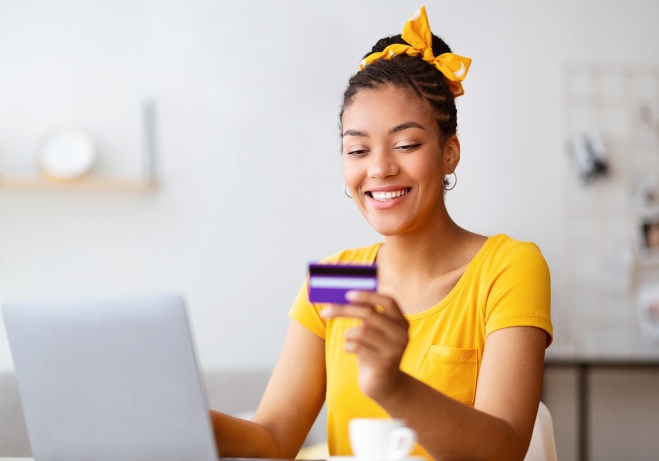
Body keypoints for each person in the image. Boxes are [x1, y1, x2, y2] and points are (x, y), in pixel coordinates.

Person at [211, 5, 553, 460]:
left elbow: (506, 447)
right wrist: (183, 415)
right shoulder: (336, 279)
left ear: (449, 153)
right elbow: (273, 440)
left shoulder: (507, 268)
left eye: (407, 144)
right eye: (357, 149)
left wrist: (391, 385)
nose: (380, 169)